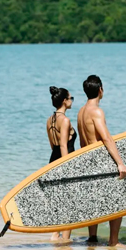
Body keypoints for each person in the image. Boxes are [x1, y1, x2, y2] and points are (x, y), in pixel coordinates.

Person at [77, 75, 126, 247]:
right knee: (118, 201)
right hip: (101, 162)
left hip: (87, 161)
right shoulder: (96, 112)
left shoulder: (81, 112)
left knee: (94, 201)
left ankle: (92, 238)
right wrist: (120, 163)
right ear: (101, 90)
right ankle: (113, 242)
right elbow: (106, 138)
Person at [46, 86, 76, 241]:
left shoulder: (49, 120)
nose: (72, 101)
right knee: (69, 205)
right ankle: (65, 240)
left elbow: (54, 145)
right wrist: (67, 168)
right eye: (71, 98)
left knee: (58, 202)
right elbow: (64, 145)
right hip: (64, 162)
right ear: (64, 101)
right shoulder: (65, 120)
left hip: (53, 161)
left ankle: (55, 234)